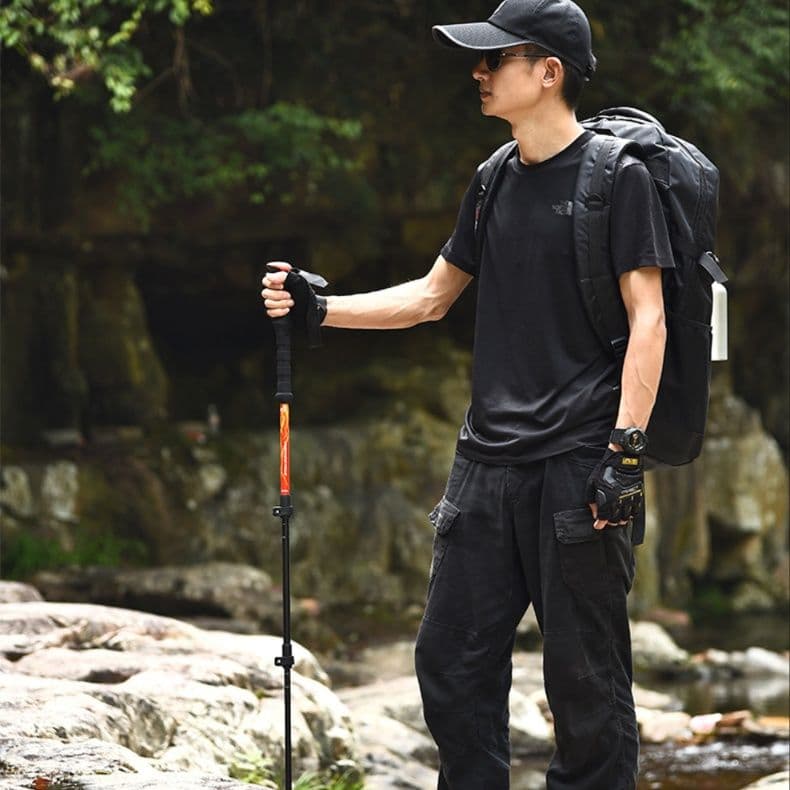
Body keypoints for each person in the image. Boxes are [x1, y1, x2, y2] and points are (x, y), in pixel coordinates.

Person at [261, 0, 673, 786]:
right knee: (449, 663)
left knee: (585, 686)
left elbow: (647, 318)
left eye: (496, 58)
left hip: (580, 466)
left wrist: (624, 454)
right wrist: (321, 309)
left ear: (549, 72)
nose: (478, 71)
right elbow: (430, 296)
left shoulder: (617, 179)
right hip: (486, 464)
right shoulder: (493, 179)